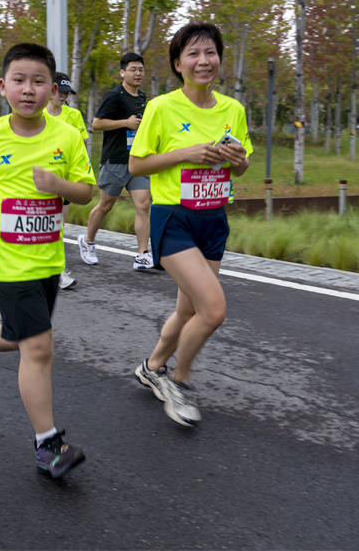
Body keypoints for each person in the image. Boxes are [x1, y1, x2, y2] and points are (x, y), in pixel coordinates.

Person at [0, 42, 94, 478]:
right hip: (7, 261)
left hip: (48, 258)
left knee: (21, 336)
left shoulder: (66, 135)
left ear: (52, 90)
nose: (28, 89)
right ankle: (48, 444)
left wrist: (58, 184)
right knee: (39, 346)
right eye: (19, 80)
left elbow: (86, 191)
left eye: (38, 81)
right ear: (3, 87)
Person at [128, 22, 252, 426]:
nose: (204, 61)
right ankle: (178, 380)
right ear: (178, 64)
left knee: (187, 311)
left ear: (219, 59)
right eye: (193, 54)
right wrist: (187, 154)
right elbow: (137, 164)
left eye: (210, 53)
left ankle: (152, 366)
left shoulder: (233, 110)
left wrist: (238, 162)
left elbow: (242, 166)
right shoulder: (162, 108)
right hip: (174, 218)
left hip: (213, 218)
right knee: (213, 310)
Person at [77, 52, 153, 271]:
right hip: (115, 159)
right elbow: (97, 123)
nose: (138, 73)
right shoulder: (114, 96)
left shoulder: (142, 98)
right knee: (106, 205)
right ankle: (88, 241)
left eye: (141, 69)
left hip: (137, 159)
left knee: (143, 204)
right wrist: (125, 123)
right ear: (122, 72)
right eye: (133, 69)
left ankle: (142, 254)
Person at [45, 72, 89, 290]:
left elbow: (81, 145)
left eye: (66, 93)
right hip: (40, 180)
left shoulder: (74, 116)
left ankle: (57, 271)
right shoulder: (37, 114)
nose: (63, 96)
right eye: (60, 92)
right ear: (51, 90)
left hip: (64, 181)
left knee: (58, 227)